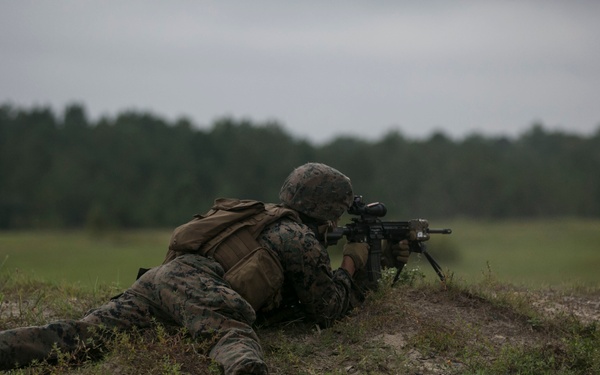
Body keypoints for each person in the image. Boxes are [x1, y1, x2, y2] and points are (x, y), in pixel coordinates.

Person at [0, 162, 406, 374]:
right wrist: (353, 262)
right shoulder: (296, 237)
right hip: (195, 287)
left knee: (80, 335)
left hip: (163, 280)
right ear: (328, 208)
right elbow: (330, 309)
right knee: (232, 333)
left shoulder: (262, 216)